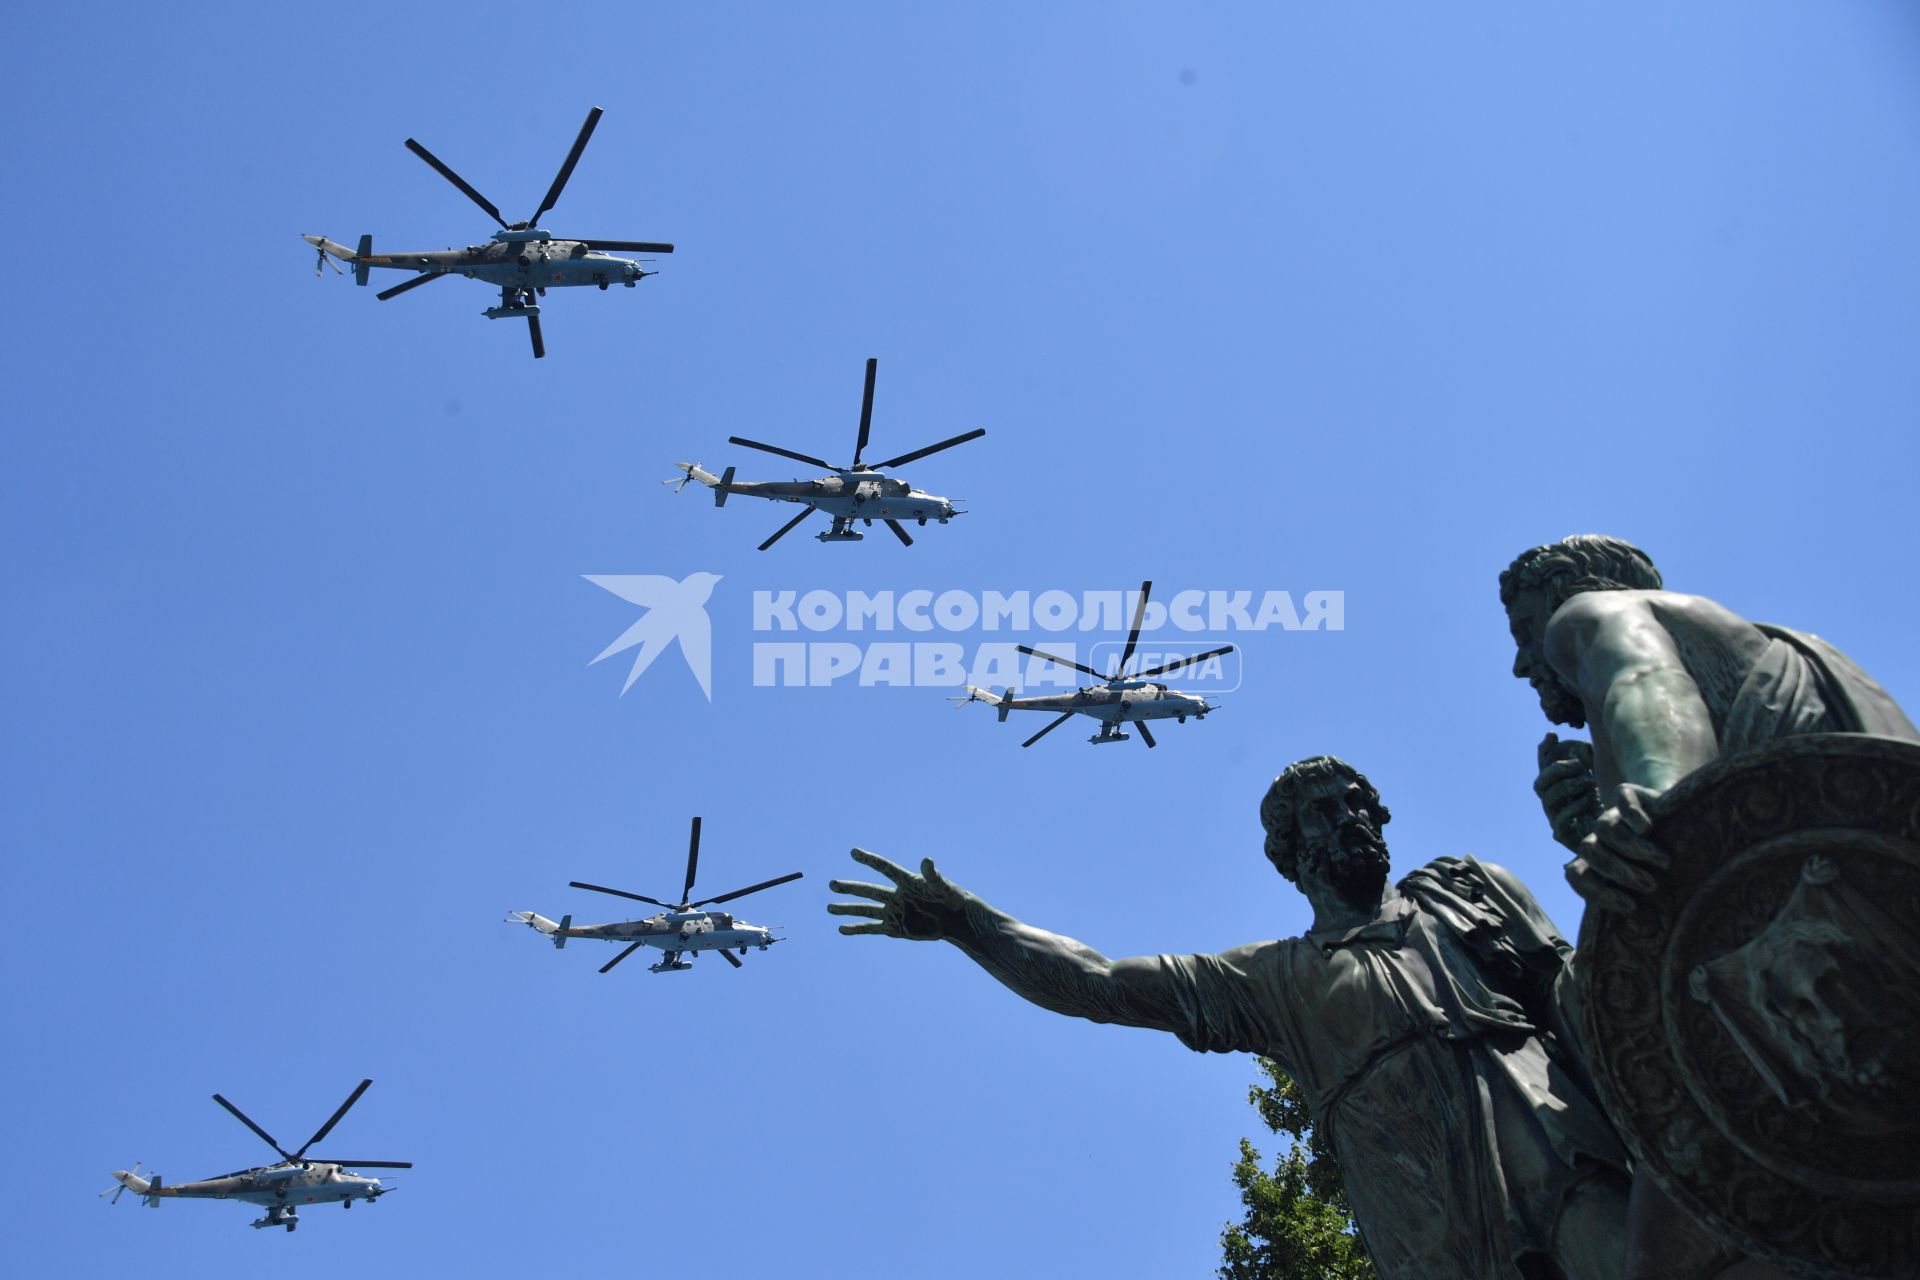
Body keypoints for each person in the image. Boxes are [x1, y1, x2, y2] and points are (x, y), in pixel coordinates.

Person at [830, 756, 1636, 1280]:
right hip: (1427, 1222)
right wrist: (970, 923)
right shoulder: (1271, 980)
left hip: (1555, 1146)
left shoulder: (1463, 889)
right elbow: (1099, 981)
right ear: (1290, 853)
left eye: (1359, 804)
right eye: (1322, 813)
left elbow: (1583, 997)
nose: (1349, 818)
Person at [1500, 534, 1917, 914]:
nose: (1521, 664)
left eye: (1525, 630)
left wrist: (1661, 804)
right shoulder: (1712, 643)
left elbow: (1648, 683)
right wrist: (1599, 834)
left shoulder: (1588, 613)